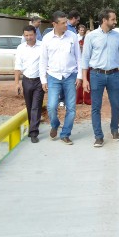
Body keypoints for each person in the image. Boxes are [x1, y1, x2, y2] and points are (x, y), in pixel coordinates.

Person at [81, 8, 119, 148]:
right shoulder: (91, 36)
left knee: (116, 105)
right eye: (113, 19)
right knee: (96, 107)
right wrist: (84, 79)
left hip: (114, 75)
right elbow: (85, 59)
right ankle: (98, 136)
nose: (115, 21)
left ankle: (114, 130)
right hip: (96, 75)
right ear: (104, 20)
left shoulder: (118, 37)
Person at [40, 11, 82, 145]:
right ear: (54, 24)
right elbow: (43, 60)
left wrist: (79, 76)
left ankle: (65, 134)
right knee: (51, 106)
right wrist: (43, 80)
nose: (66, 25)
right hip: (53, 77)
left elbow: (78, 58)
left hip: (70, 76)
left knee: (71, 108)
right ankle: (55, 123)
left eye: (66, 22)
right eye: (63, 23)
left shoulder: (72, 36)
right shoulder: (46, 39)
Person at [15, 25, 44, 143]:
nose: (29, 37)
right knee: (29, 106)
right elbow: (17, 66)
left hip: (39, 81)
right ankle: (32, 126)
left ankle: (33, 132)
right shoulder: (20, 48)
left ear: (35, 34)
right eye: (26, 35)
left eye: (31, 35)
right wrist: (16, 83)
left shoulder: (42, 46)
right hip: (26, 80)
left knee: (36, 106)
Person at [75, 25, 91, 105]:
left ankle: (88, 99)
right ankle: (78, 99)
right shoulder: (78, 40)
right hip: (80, 63)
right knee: (80, 80)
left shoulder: (91, 42)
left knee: (88, 81)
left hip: (89, 64)